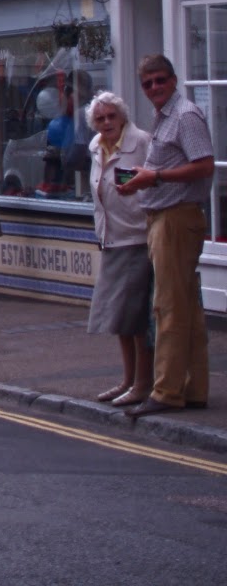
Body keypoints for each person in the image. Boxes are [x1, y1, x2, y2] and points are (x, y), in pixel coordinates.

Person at [116, 54, 212, 416]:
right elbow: (171, 165)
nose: (155, 88)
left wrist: (153, 178)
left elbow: (203, 164)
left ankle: (167, 392)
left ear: (173, 80)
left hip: (175, 219)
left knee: (168, 306)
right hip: (164, 216)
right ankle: (193, 388)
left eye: (160, 80)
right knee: (186, 306)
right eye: (148, 83)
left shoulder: (184, 115)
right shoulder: (164, 117)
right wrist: (141, 178)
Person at [86, 91, 154, 407]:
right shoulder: (95, 148)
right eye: (100, 119)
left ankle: (143, 384)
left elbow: (155, 185)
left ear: (123, 116)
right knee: (119, 319)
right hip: (111, 241)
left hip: (137, 239)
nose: (107, 122)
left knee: (136, 318)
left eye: (112, 116)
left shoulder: (141, 142)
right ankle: (128, 380)